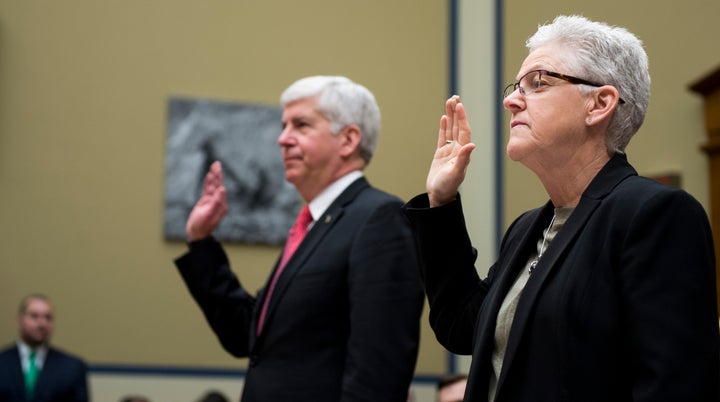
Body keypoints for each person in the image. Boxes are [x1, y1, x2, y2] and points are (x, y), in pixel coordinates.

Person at [403, 15, 719, 402]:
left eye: (538, 83)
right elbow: (460, 326)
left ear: (600, 104)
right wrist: (442, 201)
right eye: (515, 87)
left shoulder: (655, 215)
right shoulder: (527, 227)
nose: (510, 100)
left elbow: (673, 385)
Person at [175, 75, 424, 402]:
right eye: (284, 126)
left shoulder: (379, 217)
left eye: (301, 125)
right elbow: (249, 336)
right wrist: (202, 241)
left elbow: (379, 369)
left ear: (348, 140)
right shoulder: (313, 224)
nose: (282, 139)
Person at [0, 294, 89, 402]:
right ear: (20, 321)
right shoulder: (3, 362)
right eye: (34, 316)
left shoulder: (72, 368)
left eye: (48, 317)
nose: (42, 323)